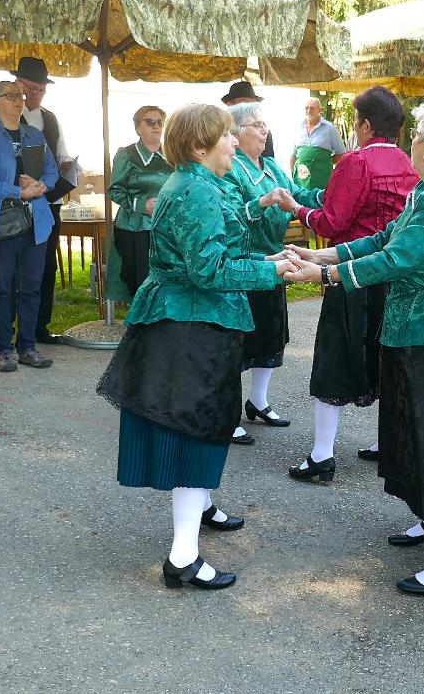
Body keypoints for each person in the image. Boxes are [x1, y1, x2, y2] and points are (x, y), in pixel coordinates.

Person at [281, 101, 424, 596]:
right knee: (420, 439)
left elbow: (398, 258)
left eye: (417, 135)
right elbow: (385, 238)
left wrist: (326, 275)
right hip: (423, 332)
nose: (411, 141)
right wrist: (325, 253)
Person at [97, 103, 296, 591]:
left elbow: (221, 239)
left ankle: (199, 514)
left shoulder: (198, 183)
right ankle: (182, 557)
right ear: (199, 146)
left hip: (188, 323)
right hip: (190, 328)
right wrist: (271, 270)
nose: (235, 142)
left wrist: (267, 256)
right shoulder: (196, 190)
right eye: (226, 136)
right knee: (196, 435)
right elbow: (209, 271)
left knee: (198, 431)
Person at [273, 85, 419, 478]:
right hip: (391, 275)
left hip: (350, 274)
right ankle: (388, 443)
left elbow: (331, 222)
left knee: (335, 359)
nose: (355, 128)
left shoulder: (357, 161)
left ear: (366, 125)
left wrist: (296, 209)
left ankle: (322, 455)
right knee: (386, 357)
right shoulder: (407, 163)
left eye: (356, 121)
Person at [224, 102, 325, 441]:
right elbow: (231, 215)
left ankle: (258, 401)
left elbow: (300, 195)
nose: (264, 130)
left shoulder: (271, 167)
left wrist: (334, 194)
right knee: (239, 340)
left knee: (269, 334)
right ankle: (228, 413)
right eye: (257, 124)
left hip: (275, 261)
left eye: (265, 124)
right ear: (237, 133)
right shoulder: (232, 168)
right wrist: (262, 202)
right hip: (245, 263)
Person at [0, 57, 77, 346]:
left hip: (43, 207)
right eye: (28, 89)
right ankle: (5, 339)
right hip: (4, 210)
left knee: (42, 272)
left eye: (39, 90)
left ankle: (36, 331)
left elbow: (57, 158)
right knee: (5, 279)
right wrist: (18, 189)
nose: (31, 96)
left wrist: (45, 182)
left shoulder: (47, 120)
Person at [0, 80, 59, 373]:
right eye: (10, 96)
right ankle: (4, 349)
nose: (19, 100)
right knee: (2, 288)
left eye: (20, 95)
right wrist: (18, 191)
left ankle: (28, 347)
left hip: (37, 222)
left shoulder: (34, 133)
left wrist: (41, 185)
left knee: (32, 287)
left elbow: (52, 170)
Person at [107, 105, 171, 302]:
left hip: (166, 228)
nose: (156, 126)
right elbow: (115, 190)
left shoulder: (172, 154)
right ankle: (140, 319)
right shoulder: (127, 154)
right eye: (149, 122)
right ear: (137, 128)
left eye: (160, 122)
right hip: (134, 228)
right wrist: (142, 205)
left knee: (167, 282)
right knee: (141, 282)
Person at [290, 97, 346, 190]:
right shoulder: (298, 127)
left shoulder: (330, 129)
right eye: (306, 108)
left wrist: (323, 162)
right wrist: (293, 174)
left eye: (312, 108)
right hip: (300, 183)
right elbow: (293, 156)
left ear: (319, 110)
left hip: (322, 183)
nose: (308, 111)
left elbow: (341, 153)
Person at [221, 81, 274, 159]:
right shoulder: (219, 131)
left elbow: (268, 158)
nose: (250, 108)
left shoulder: (264, 133)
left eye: (253, 104)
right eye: (245, 103)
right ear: (230, 104)